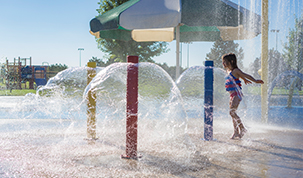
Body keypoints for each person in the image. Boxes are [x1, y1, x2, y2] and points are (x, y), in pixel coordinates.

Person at [222, 53, 264, 139]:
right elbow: (237, 78)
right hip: (231, 95)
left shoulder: (235, 70)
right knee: (232, 114)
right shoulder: (228, 71)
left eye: (225, 62)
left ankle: (242, 129)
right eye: (223, 62)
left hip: (236, 95)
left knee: (232, 112)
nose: (223, 64)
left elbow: (245, 74)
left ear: (231, 61)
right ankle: (236, 132)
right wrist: (244, 79)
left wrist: (255, 81)